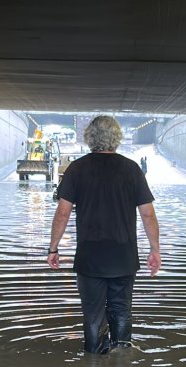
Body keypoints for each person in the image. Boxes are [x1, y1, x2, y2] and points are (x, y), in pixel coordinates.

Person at [47, 115, 160, 354]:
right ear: (117, 138)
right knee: (121, 311)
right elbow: (148, 214)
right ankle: (122, 361)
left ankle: (94, 364)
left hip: (90, 257)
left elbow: (63, 213)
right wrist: (155, 249)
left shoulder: (77, 169)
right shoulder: (132, 169)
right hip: (124, 256)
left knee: (93, 315)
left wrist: (53, 248)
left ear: (90, 138)